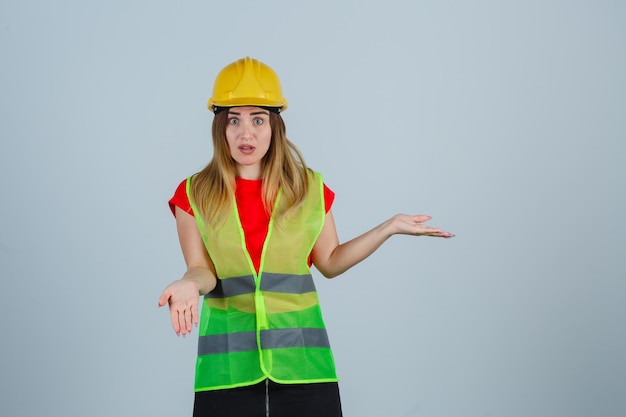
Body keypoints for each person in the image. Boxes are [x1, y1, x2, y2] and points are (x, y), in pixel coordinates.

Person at [158, 56, 454, 417]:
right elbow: (201, 270)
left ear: (275, 126)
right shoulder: (194, 193)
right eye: (233, 119)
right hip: (227, 373)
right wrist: (188, 284)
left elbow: (330, 262)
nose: (245, 133)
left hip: (303, 366)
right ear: (220, 126)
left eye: (258, 119)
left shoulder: (307, 188)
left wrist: (387, 228)